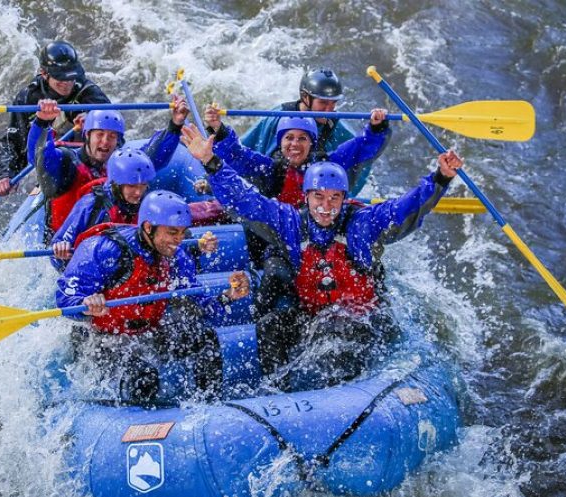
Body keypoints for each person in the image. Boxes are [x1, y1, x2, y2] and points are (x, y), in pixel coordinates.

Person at [181, 122, 463, 389]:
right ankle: (276, 393)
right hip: (314, 316)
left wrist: (440, 178)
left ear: (344, 198)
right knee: (272, 327)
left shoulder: (361, 225)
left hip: (362, 320)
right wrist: (212, 163)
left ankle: (347, 397)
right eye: (318, 197)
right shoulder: (290, 223)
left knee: (337, 335)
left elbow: (404, 208)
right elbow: (246, 200)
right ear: (306, 197)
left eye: (334, 198)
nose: (326, 207)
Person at [56, 190, 250, 403]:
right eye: (172, 232)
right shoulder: (105, 249)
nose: (178, 240)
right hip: (101, 340)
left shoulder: (176, 258)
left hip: (147, 334)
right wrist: (85, 305)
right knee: (143, 378)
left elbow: (204, 306)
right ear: (148, 228)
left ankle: (209, 405)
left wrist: (228, 296)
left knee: (205, 338)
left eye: (182, 233)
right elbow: (65, 297)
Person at [28, 94, 189, 239]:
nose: (105, 142)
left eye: (111, 136)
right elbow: (38, 158)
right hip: (66, 244)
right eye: (100, 134)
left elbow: (154, 156)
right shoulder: (67, 161)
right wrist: (42, 122)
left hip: (112, 242)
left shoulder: (122, 163)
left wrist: (175, 124)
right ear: (87, 135)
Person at [50, 147, 219, 271]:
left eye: (143, 185)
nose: (138, 192)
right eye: (132, 186)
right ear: (117, 183)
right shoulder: (91, 205)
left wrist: (196, 245)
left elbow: (176, 224)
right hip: (96, 270)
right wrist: (61, 251)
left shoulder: (148, 202)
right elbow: (57, 249)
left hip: (133, 270)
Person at [204, 105, 390, 207]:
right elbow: (238, 155)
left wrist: (376, 127)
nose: (295, 144)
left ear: (311, 143)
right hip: (279, 228)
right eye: (289, 138)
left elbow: (359, 148)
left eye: (302, 138)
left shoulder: (327, 164)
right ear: (281, 142)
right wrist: (219, 130)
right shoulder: (270, 168)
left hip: (316, 224)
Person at [238, 68, 380, 196]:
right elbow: (243, 149)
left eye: (333, 103)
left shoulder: (338, 128)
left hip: (315, 199)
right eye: (323, 103)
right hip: (273, 190)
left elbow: (362, 158)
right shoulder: (277, 117)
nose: (329, 110)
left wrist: (377, 128)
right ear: (305, 97)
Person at [0, 40, 111, 196]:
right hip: (51, 163)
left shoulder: (88, 91)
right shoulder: (28, 98)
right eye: (61, 79)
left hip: (87, 158)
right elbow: (13, 141)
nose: (67, 83)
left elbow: (115, 128)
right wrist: (6, 174)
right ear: (44, 73)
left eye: (71, 77)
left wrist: (93, 121)